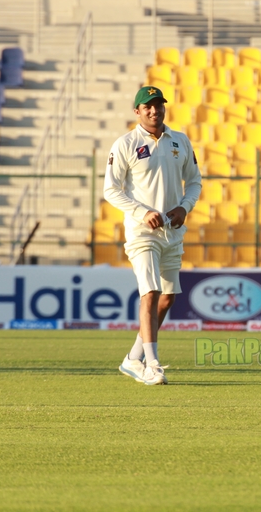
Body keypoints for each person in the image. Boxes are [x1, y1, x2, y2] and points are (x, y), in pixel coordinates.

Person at [104, 85, 202, 385]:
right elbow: (111, 190)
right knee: (151, 291)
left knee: (168, 296)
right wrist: (141, 212)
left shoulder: (180, 141)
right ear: (137, 111)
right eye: (147, 106)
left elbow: (195, 182)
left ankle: (133, 358)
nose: (154, 110)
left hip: (172, 232)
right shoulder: (125, 144)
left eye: (158, 105)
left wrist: (184, 208)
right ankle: (152, 364)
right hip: (141, 232)